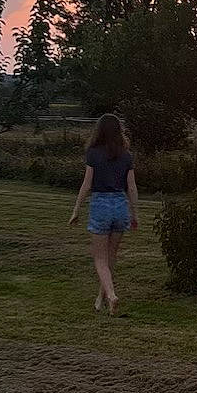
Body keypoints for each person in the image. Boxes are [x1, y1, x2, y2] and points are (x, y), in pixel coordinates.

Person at [69, 112, 138, 313]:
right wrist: (135, 214)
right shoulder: (126, 155)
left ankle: (111, 295)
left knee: (99, 258)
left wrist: (76, 209)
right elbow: (131, 187)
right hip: (120, 205)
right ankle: (101, 299)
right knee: (110, 257)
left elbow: (87, 184)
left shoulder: (93, 153)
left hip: (100, 204)